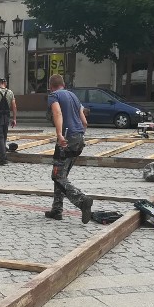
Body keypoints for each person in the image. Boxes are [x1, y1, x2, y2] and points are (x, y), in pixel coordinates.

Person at [46, 74, 94, 224]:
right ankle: (57, 210)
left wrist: (59, 134)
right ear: (63, 84)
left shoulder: (54, 96)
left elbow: (57, 113)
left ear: (51, 86)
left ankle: (82, 200)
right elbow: (84, 121)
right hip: (78, 139)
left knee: (57, 176)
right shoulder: (73, 96)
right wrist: (80, 134)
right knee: (62, 175)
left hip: (66, 138)